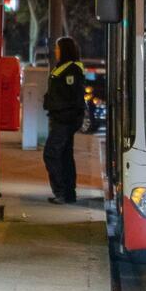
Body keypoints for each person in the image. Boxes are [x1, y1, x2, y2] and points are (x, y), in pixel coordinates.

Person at [43, 37, 85, 205]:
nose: (56, 51)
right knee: (65, 156)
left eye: (58, 48)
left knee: (51, 154)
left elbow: (71, 96)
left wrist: (56, 106)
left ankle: (62, 192)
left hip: (64, 118)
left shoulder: (72, 69)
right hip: (60, 117)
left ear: (65, 50)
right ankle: (68, 193)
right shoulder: (63, 67)